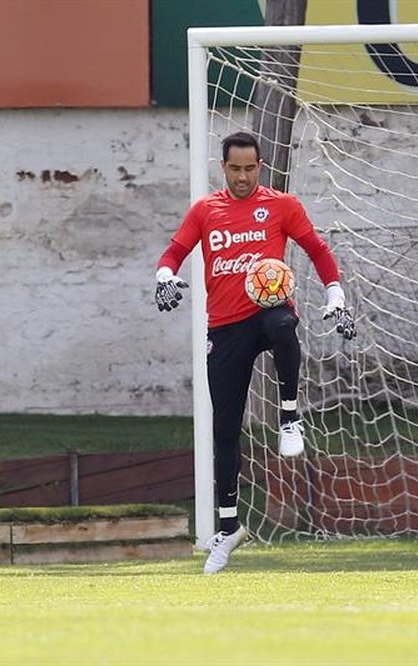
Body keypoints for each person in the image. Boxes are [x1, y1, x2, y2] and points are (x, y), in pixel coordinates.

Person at [154, 132, 356, 574]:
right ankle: (229, 528)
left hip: (268, 311)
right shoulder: (206, 210)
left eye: (250, 169)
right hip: (225, 329)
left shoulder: (282, 205)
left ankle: (289, 416)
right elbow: (174, 251)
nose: (242, 177)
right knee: (224, 429)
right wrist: (165, 276)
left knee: (284, 324)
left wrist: (336, 294)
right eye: (234, 169)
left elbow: (318, 251)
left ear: (260, 167)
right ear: (222, 167)